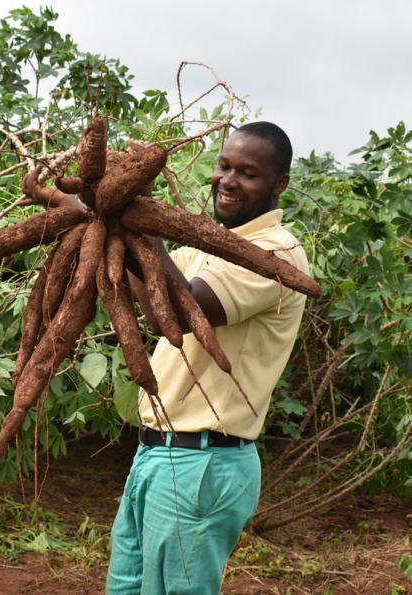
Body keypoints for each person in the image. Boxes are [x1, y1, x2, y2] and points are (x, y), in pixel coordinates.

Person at [106, 122, 311, 595]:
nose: (228, 179)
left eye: (248, 173)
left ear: (279, 184)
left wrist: (139, 213)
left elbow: (176, 313)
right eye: (223, 166)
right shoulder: (209, 246)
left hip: (200, 463)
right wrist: (106, 218)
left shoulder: (274, 255)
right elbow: (153, 289)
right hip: (157, 455)